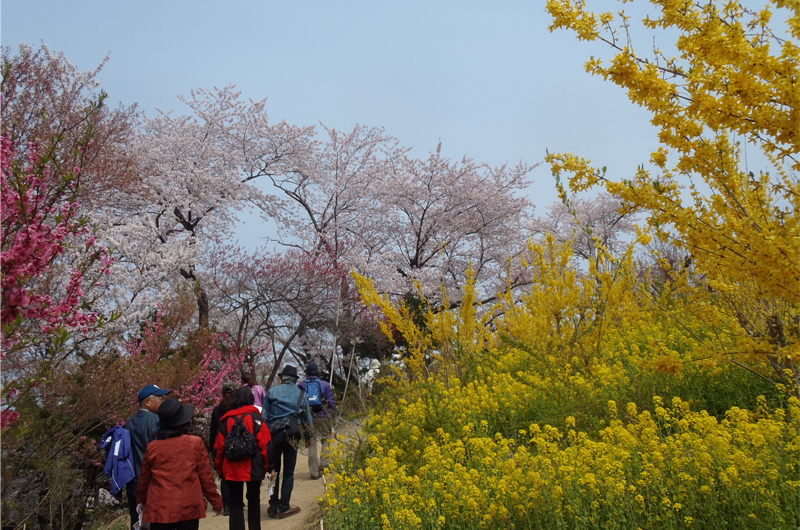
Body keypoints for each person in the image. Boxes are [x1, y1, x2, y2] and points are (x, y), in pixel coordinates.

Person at [137, 398, 224, 530]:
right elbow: (205, 477)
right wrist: (216, 501)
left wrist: (141, 502)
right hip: (188, 506)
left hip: (159, 508)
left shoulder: (153, 447)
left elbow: (144, 480)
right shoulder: (195, 443)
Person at [214, 387, 271, 530]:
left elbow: (219, 448)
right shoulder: (256, 418)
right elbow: (266, 444)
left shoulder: (226, 421)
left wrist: (220, 470)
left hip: (232, 469)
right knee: (254, 502)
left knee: (235, 505)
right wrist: (268, 467)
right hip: (254, 467)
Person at [263, 365, 312, 519]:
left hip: (273, 435)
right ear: (295, 379)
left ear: (282, 378)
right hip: (292, 434)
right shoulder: (301, 394)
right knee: (289, 473)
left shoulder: (271, 392)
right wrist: (308, 437)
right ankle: (284, 507)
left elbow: (264, 416)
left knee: (272, 472)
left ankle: (273, 505)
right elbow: (307, 418)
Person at [124, 384, 171, 530]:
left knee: (138, 522)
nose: (162, 401)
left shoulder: (128, 424)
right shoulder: (156, 422)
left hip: (133, 483)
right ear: (148, 402)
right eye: (159, 398)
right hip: (154, 483)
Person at [298, 362, 338, 479]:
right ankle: (324, 466)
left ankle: (314, 472)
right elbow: (331, 401)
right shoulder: (325, 384)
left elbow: (299, 403)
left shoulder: (302, 385)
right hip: (323, 416)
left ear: (307, 372)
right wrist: (335, 414)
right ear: (317, 372)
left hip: (309, 417)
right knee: (326, 439)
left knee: (311, 443)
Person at [208, 381, 237, 516]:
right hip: (233, 444)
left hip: (218, 445)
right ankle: (237, 501)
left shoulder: (217, 410)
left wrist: (210, 449)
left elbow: (212, 431)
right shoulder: (236, 409)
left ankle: (226, 505)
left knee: (224, 476)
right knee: (235, 474)